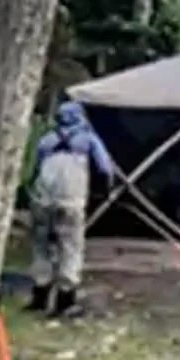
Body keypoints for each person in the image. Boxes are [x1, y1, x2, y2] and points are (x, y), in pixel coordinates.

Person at [28, 100, 117, 318]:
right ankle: (65, 300)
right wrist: (105, 191)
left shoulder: (46, 140)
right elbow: (105, 168)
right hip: (71, 202)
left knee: (41, 247)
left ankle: (40, 296)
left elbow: (35, 170)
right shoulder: (88, 139)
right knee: (70, 248)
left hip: (42, 200)